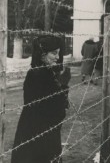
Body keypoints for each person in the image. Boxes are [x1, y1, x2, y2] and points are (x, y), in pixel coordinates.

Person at [11, 35, 71, 163]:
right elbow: (51, 109)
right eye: (53, 53)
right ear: (43, 55)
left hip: (45, 132)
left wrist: (62, 85)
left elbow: (59, 107)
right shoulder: (37, 75)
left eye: (58, 53)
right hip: (36, 133)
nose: (57, 57)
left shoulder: (48, 73)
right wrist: (63, 86)